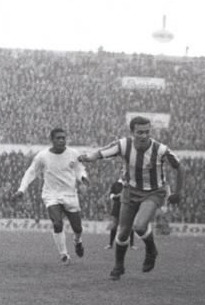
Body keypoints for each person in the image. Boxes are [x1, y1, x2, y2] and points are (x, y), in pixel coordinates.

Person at [78, 116, 185, 280]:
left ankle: (151, 250)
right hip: (130, 191)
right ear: (132, 132)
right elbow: (103, 152)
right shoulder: (124, 144)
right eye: (140, 132)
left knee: (139, 225)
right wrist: (88, 157)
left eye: (147, 132)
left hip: (153, 193)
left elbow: (180, 167)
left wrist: (177, 192)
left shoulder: (160, 150)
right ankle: (118, 266)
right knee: (122, 233)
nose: (144, 136)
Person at [12, 128, 89, 265]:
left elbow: (79, 169)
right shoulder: (43, 156)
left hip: (70, 194)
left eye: (63, 138)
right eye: (58, 138)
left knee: (77, 228)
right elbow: (31, 172)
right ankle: (64, 255)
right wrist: (21, 190)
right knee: (57, 223)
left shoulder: (73, 153)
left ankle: (77, 241)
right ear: (52, 140)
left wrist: (83, 177)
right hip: (51, 194)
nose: (61, 140)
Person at [105, 167, 136, 250]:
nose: (123, 174)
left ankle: (132, 245)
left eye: (124, 172)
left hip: (128, 207)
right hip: (117, 207)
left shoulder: (131, 184)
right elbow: (111, 196)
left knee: (130, 226)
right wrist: (118, 196)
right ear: (120, 173)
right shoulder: (116, 184)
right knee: (114, 226)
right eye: (122, 172)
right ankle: (110, 244)